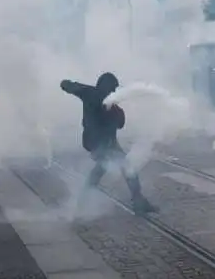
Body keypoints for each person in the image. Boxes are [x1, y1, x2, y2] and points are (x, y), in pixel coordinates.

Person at [60, 72, 158, 215]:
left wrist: (67, 84)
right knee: (125, 169)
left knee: (103, 170)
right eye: (113, 88)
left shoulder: (94, 95)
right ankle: (137, 202)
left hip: (100, 142)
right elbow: (120, 123)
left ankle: (80, 203)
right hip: (99, 142)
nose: (114, 92)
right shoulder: (95, 95)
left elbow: (67, 85)